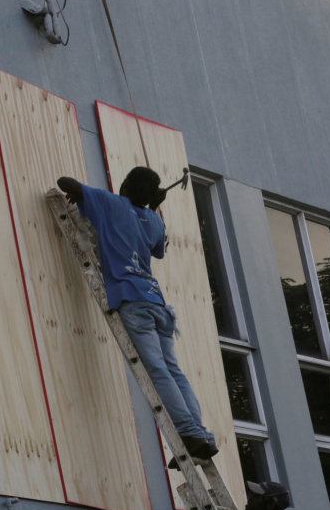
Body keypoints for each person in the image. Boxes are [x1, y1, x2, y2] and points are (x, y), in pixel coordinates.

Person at [56, 167, 218, 465]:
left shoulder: (111, 203)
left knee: (156, 368)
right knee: (172, 369)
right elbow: (158, 250)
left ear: (127, 185)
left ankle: (189, 432)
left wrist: (78, 192)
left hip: (131, 299)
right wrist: (156, 207)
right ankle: (200, 433)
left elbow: (64, 183)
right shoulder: (155, 219)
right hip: (157, 303)